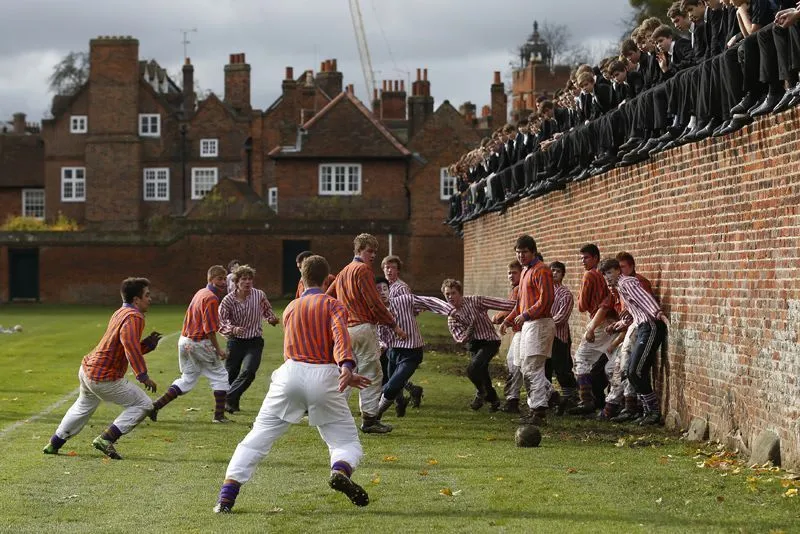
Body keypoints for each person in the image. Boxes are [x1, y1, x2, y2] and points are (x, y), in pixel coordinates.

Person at [214, 255, 372, 513]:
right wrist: (346, 366)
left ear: (302, 277)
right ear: (327, 279)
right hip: (324, 375)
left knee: (256, 440)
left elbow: (290, 348)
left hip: (289, 375)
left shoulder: (290, 308)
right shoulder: (334, 306)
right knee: (345, 443)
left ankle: (226, 498)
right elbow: (340, 337)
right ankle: (340, 470)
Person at [42, 277, 162, 460]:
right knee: (143, 404)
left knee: (81, 407)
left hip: (87, 370)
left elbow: (121, 345)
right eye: (147, 295)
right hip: (103, 377)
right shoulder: (134, 316)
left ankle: (54, 443)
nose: (150, 299)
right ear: (136, 300)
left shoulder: (121, 312)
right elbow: (129, 345)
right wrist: (143, 375)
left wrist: (145, 346)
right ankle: (107, 439)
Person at [327, 234, 406, 434]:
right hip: (362, 327)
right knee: (371, 373)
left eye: (374, 252)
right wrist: (393, 325)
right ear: (359, 249)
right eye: (369, 251)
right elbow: (374, 302)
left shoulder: (343, 272)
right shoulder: (363, 270)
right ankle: (370, 420)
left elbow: (327, 296)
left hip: (345, 330)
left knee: (346, 373)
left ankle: (335, 417)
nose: (373, 255)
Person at [149, 265, 231, 423]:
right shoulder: (211, 298)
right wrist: (218, 349)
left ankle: (156, 406)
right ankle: (219, 416)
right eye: (219, 279)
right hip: (199, 342)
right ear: (210, 279)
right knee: (220, 375)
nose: (223, 282)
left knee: (188, 378)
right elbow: (209, 329)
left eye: (224, 279)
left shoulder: (201, 292)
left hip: (184, 341)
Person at [374, 276, 454, 423]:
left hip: (411, 352)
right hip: (393, 353)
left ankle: (376, 414)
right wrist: (380, 347)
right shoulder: (376, 313)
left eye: (385, 289)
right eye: (378, 290)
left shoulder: (403, 300)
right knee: (393, 387)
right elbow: (381, 337)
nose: (383, 293)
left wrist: (450, 310)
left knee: (390, 386)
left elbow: (428, 301)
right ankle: (394, 406)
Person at [599, 258, 669, 425]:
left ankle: (653, 411)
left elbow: (645, 299)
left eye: (610, 272)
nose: (607, 277)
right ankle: (647, 411)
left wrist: (659, 313)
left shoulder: (626, 282)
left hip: (650, 326)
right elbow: (634, 310)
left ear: (618, 270)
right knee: (633, 372)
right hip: (642, 325)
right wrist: (621, 324)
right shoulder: (620, 287)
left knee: (635, 371)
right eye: (604, 274)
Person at [501, 236, 556, 426]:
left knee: (532, 367)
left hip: (540, 323)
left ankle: (539, 411)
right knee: (524, 367)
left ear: (533, 251)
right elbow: (520, 304)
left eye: (524, 252)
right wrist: (508, 320)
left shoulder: (542, 270)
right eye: (518, 252)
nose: (521, 255)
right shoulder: (525, 271)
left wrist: (526, 314)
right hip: (529, 324)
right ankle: (550, 397)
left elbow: (547, 299)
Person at [442, 279, 515, 412]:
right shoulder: (452, 317)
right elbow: (459, 339)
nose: (450, 297)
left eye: (453, 293)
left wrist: (521, 304)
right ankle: (494, 400)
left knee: (473, 368)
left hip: (490, 341)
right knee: (482, 372)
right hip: (474, 343)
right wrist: (468, 332)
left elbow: (499, 303)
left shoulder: (475, 300)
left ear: (460, 293)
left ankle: (480, 393)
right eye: (447, 294)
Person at [219, 265, 279, 414]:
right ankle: (232, 404)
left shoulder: (259, 295)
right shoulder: (228, 300)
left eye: (250, 279)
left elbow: (267, 311)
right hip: (235, 342)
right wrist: (233, 328)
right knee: (231, 375)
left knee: (249, 371)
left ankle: (226, 398)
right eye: (244, 279)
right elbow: (221, 321)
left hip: (254, 341)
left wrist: (271, 319)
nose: (248, 282)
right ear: (236, 282)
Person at [569, 244, 615, 415]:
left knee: (581, 358)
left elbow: (582, 305)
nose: (583, 262)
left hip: (600, 322)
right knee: (614, 365)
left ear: (596, 257)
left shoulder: (590, 275)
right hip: (613, 322)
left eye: (586, 258)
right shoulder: (605, 274)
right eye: (581, 258)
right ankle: (618, 403)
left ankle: (586, 400)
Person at [381, 255, 424, 407]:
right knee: (391, 372)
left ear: (398, 270)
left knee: (392, 372)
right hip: (389, 335)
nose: (389, 270)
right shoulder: (385, 286)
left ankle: (400, 398)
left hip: (402, 335)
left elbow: (411, 308)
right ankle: (406, 395)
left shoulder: (401, 287)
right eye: (386, 267)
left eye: (392, 267)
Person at [492, 260, 523, 414]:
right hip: (519, 331)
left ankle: (513, 400)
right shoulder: (516, 288)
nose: (511, 275)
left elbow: (511, 308)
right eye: (509, 273)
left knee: (517, 365)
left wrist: (498, 318)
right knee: (516, 364)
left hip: (523, 332)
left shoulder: (519, 289)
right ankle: (512, 399)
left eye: (514, 272)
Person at [548, 261, 578, 414]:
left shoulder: (565, 294)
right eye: (552, 270)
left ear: (562, 274)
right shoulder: (543, 292)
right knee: (545, 368)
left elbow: (562, 317)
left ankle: (571, 398)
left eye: (558, 271)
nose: (554, 273)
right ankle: (548, 400)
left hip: (559, 338)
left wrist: (545, 323)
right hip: (544, 337)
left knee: (562, 369)